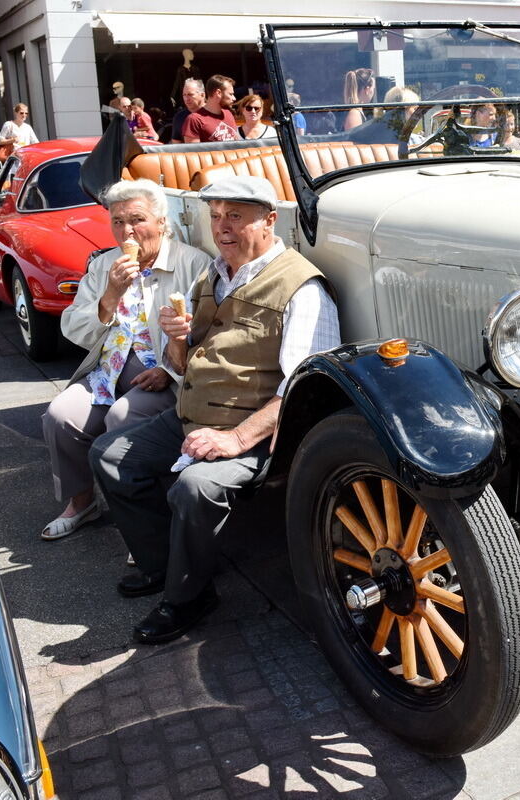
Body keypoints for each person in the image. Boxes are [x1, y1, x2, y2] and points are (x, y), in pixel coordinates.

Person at [90, 175, 340, 644]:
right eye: (216, 215)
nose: (222, 227)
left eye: (236, 216)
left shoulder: (300, 288)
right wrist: (179, 341)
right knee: (109, 456)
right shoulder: (214, 275)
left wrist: (237, 439)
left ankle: (189, 595)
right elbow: (181, 366)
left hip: (257, 432)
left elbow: (307, 389)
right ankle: (164, 565)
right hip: (193, 416)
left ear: (269, 220)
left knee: (195, 488)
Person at [41, 179, 211, 541]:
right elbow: (73, 328)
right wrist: (109, 296)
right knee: (60, 416)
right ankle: (82, 502)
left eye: (137, 219)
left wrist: (168, 369)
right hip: (108, 373)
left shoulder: (193, 263)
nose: (127, 230)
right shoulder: (104, 265)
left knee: (123, 418)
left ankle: (140, 522)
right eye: (117, 221)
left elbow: (210, 332)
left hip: (167, 377)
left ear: (162, 222)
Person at [182, 74, 239, 143]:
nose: (234, 98)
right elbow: (193, 152)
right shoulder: (194, 120)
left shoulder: (228, 114)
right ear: (218, 93)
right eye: (230, 94)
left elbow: (237, 144)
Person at [170, 79, 206, 144]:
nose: (186, 99)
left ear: (202, 95)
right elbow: (176, 146)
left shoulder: (213, 113)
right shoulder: (179, 117)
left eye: (190, 94)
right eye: (184, 95)